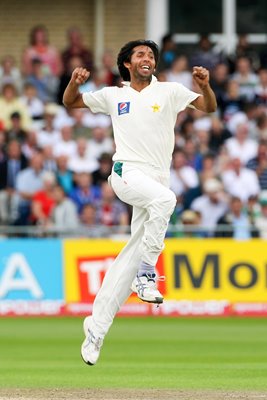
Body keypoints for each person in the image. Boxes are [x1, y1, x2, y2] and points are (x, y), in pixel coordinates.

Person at [63, 39, 216, 365]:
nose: (147, 59)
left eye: (150, 55)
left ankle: (96, 328)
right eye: (140, 55)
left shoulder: (170, 91)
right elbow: (71, 103)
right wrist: (74, 83)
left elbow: (209, 107)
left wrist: (205, 86)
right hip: (126, 172)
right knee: (166, 201)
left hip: (156, 178)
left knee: (129, 256)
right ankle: (148, 274)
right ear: (127, 64)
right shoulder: (113, 95)